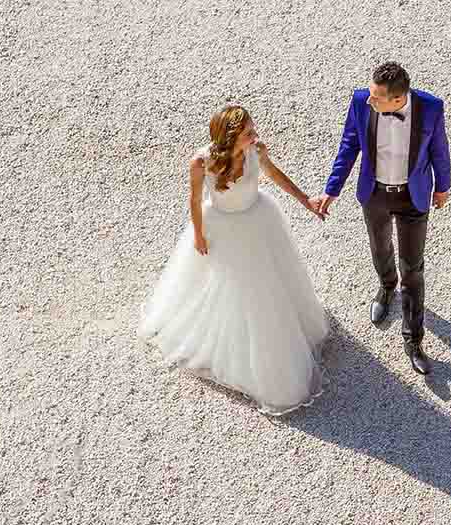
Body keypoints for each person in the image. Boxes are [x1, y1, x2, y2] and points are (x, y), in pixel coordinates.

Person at [139, 105, 327, 415]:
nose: (255, 135)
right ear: (230, 137)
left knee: (268, 284)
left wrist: (305, 200)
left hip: (258, 221)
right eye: (248, 133)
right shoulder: (202, 162)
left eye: (252, 130)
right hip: (223, 229)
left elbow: (274, 175)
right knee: (230, 289)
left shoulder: (256, 150)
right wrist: (198, 234)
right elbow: (194, 199)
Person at [315, 62, 451, 375]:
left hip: (412, 197)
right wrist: (331, 190)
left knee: (413, 268)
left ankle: (413, 340)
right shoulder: (360, 102)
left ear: (398, 99)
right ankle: (387, 286)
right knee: (380, 248)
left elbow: (439, 150)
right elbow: (348, 146)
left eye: (376, 98)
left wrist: (443, 187)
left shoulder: (430, 108)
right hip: (375, 193)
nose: (369, 100)